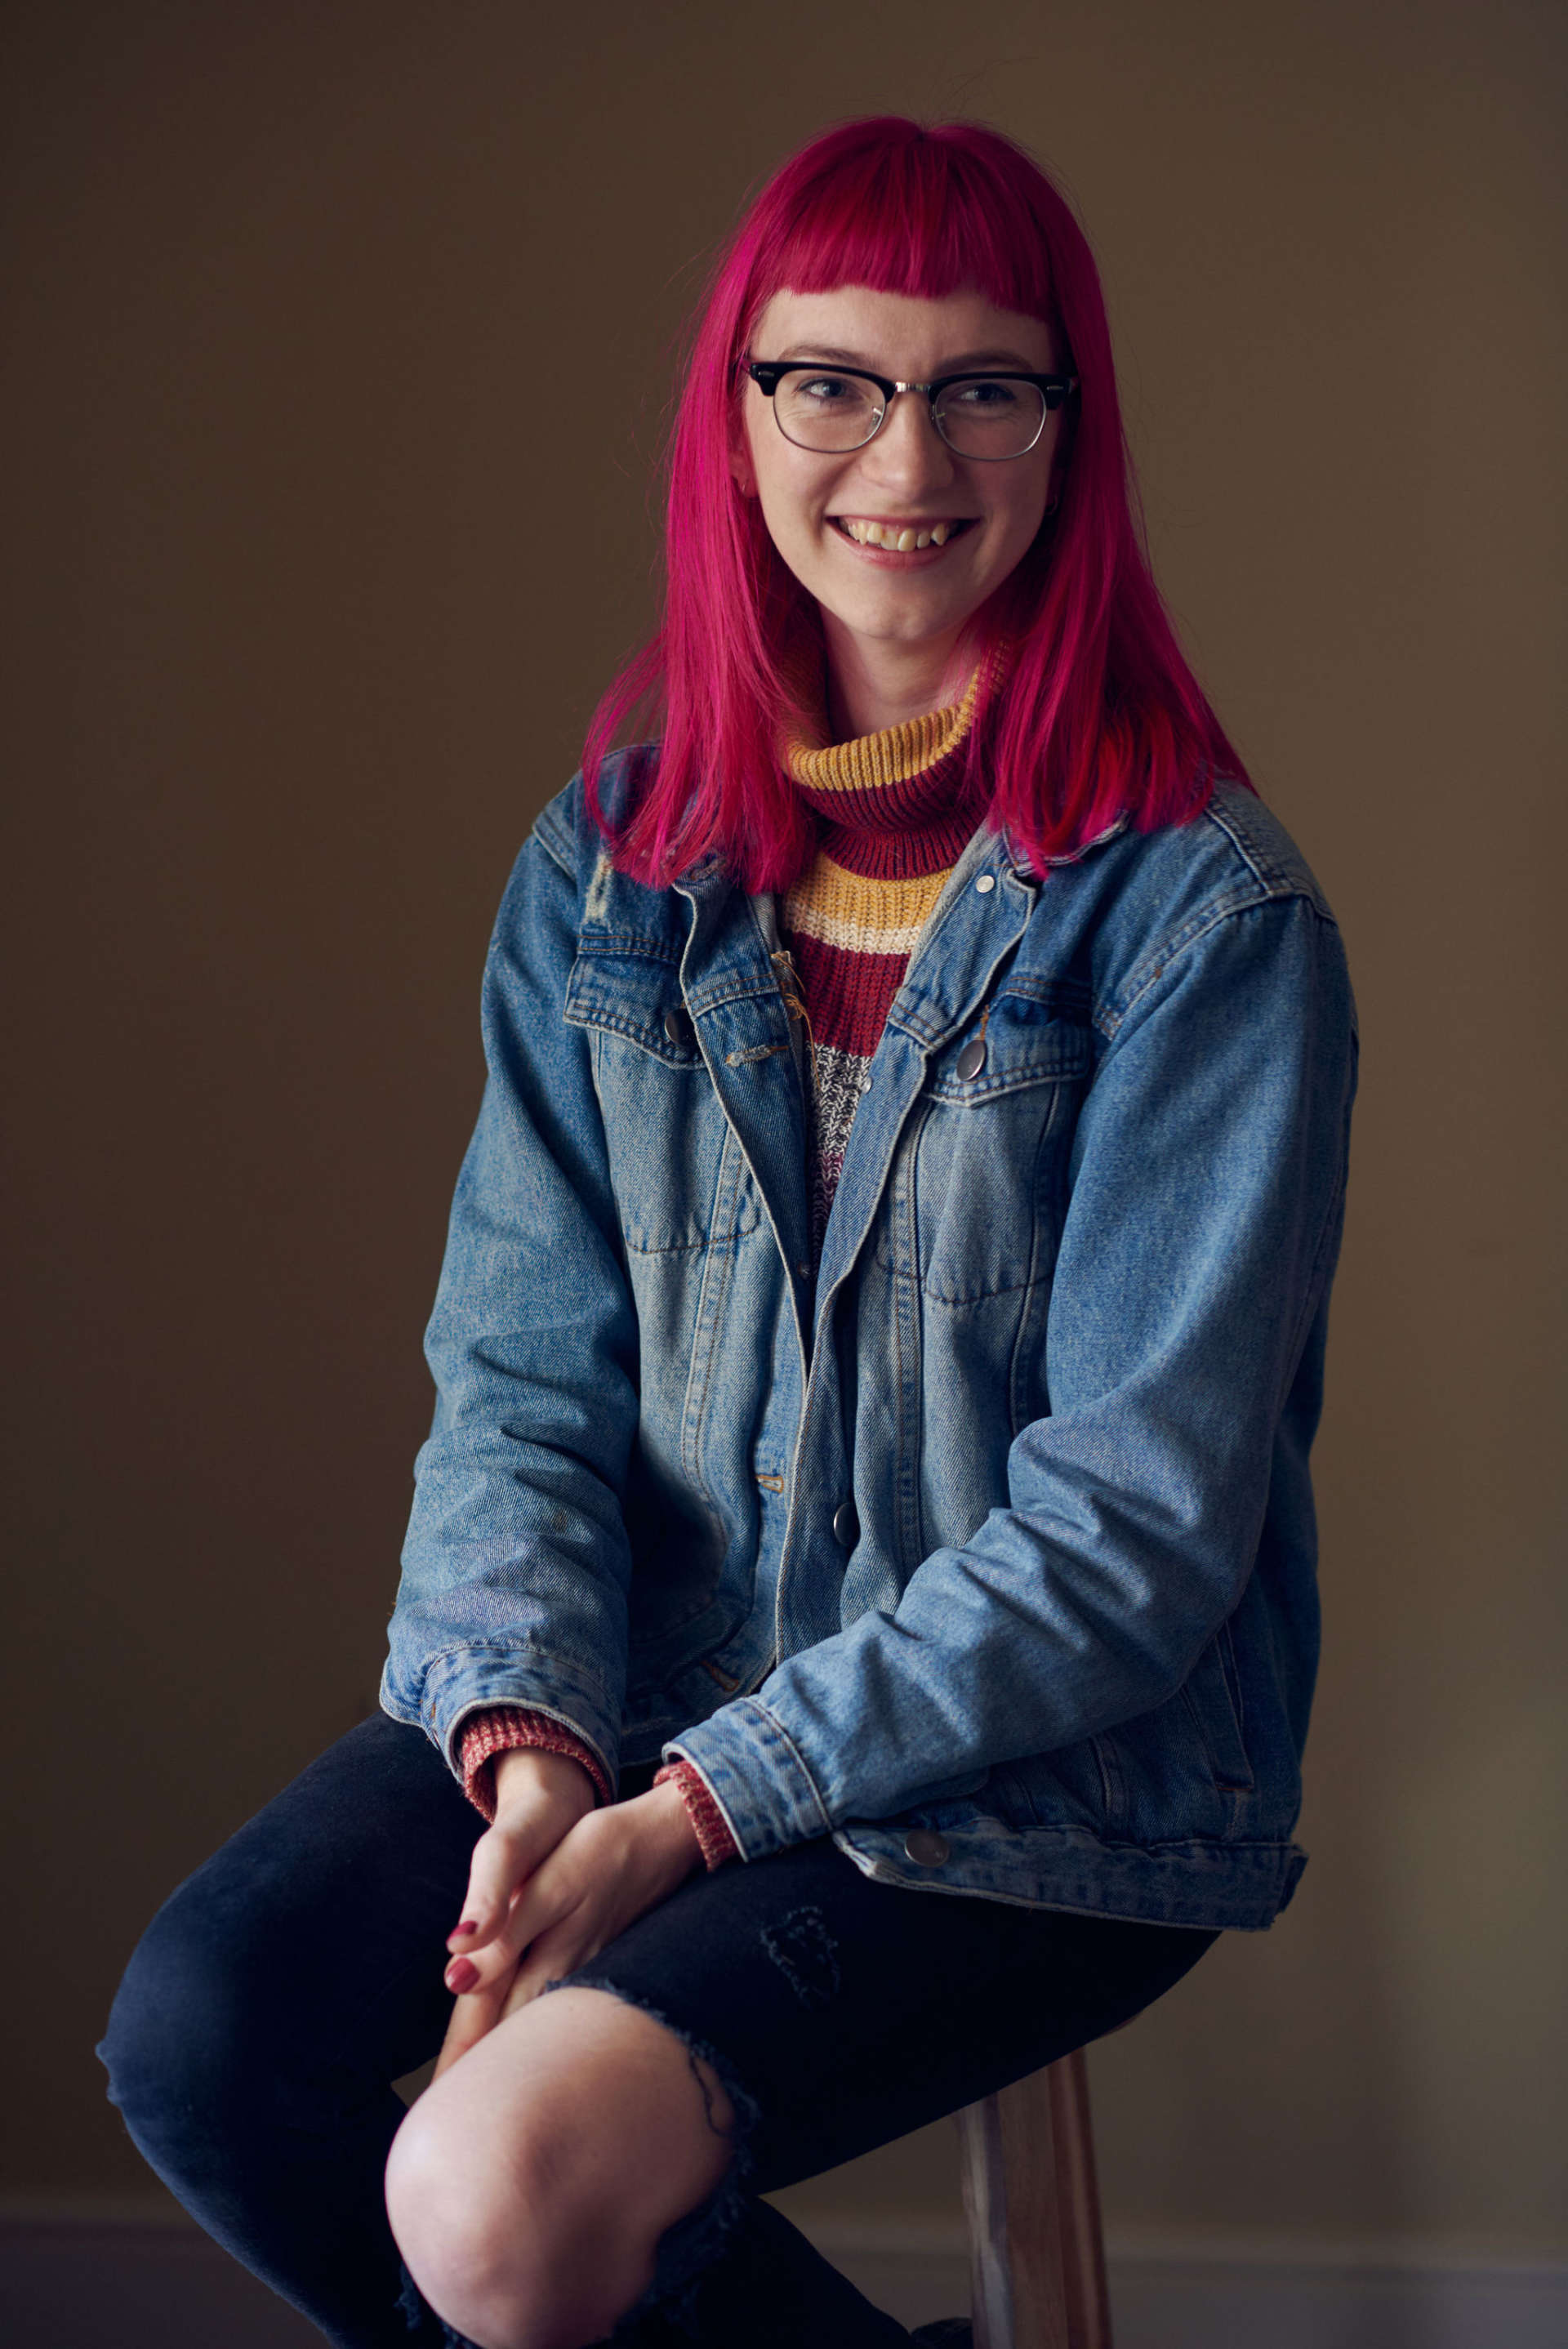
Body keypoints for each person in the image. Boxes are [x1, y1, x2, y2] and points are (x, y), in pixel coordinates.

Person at [100, 116, 1356, 2349]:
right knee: (205, 2036)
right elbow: (520, 1381)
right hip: (640, 1688)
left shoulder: (1204, 920)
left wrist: (688, 1814)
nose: (910, 450)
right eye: (835, 379)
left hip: (1025, 1780)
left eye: (989, 382)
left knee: (486, 2190)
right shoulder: (614, 859)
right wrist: (537, 1757)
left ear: (1067, 437)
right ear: (741, 416)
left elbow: (1136, 1533)